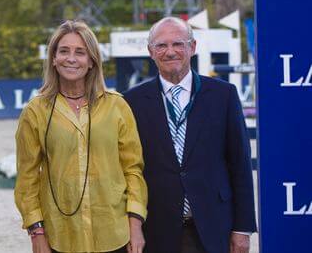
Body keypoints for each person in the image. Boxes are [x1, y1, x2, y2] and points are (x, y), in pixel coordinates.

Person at [123, 17, 256, 253]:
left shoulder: (223, 95)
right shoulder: (131, 101)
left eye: (178, 44)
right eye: (161, 46)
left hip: (214, 227)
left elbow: (240, 164)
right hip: (156, 229)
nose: (170, 51)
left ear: (192, 47)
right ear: (150, 52)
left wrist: (242, 228)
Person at [15, 20, 147, 253]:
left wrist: (135, 226)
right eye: (63, 51)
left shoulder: (117, 106)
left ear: (92, 61)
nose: (71, 58)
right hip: (60, 237)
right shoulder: (35, 111)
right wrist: (36, 232)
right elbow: (27, 178)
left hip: (114, 235)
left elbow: (133, 169)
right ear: (53, 59)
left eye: (80, 52)